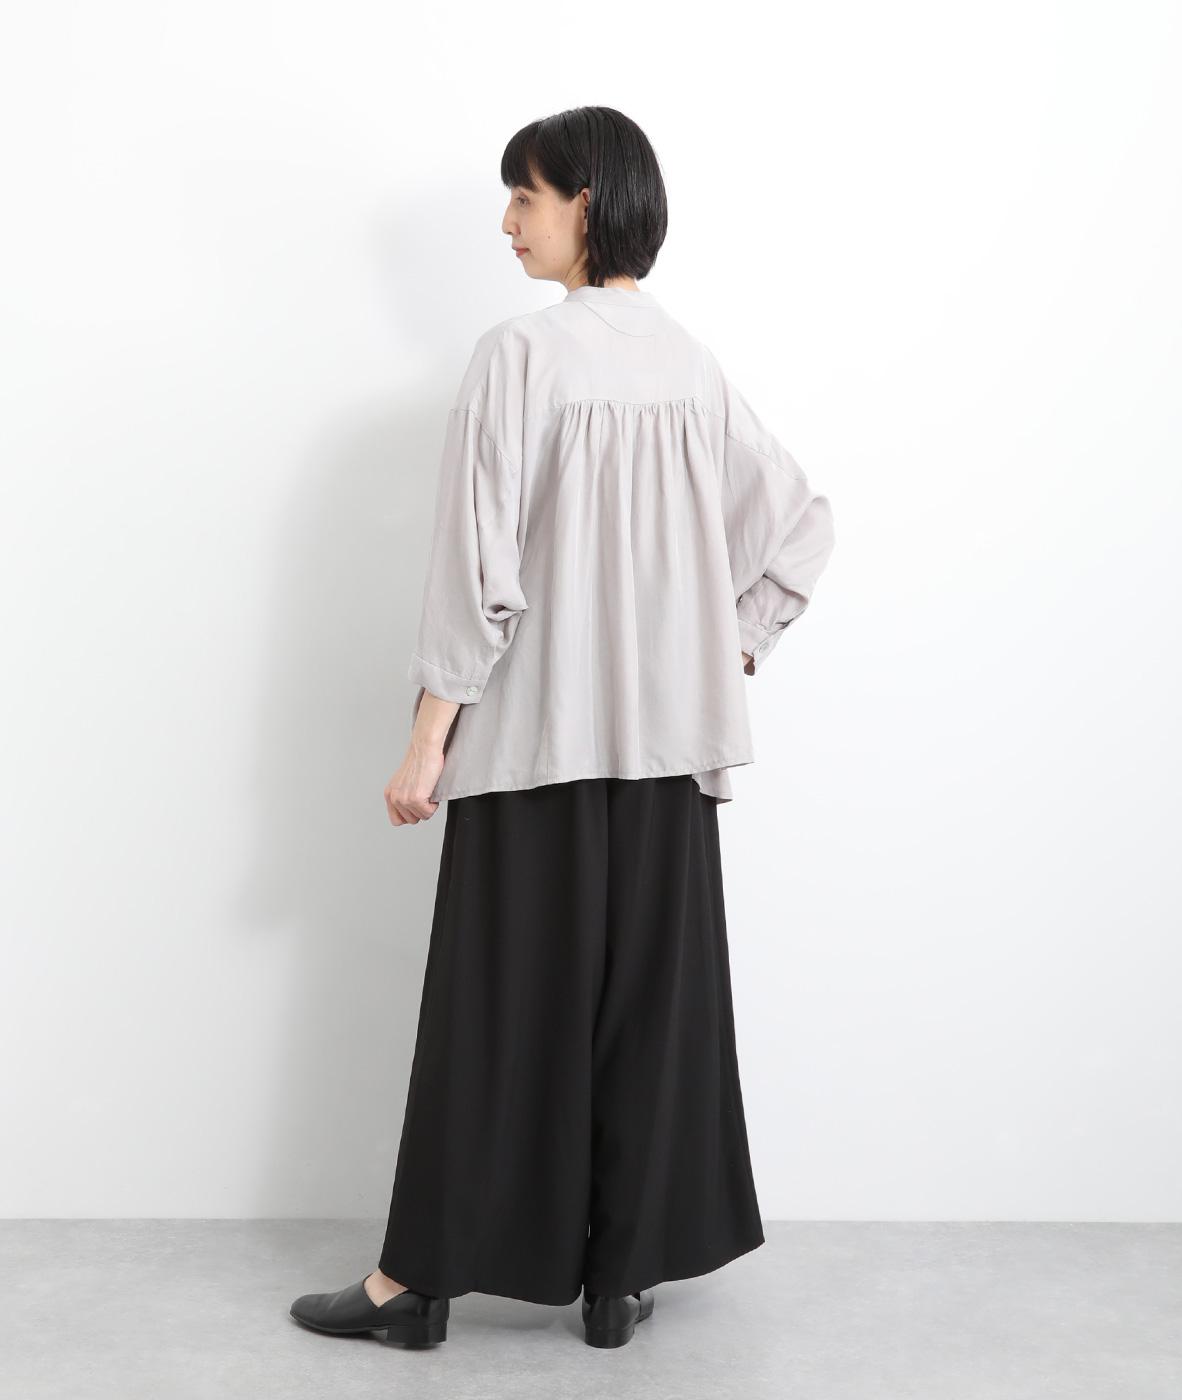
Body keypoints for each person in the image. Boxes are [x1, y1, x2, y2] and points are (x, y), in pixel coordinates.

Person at [289, 105, 835, 1352]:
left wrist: (428, 738)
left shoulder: (519, 357)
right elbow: (801, 524)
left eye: (524, 197)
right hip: (666, 758)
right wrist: (728, 648)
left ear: (585, 203)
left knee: (492, 1018)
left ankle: (414, 1281)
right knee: (647, 1018)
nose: (506, 222)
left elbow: (476, 572)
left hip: (533, 745)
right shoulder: (690, 364)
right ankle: (616, 1276)